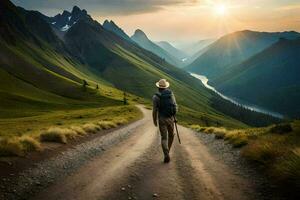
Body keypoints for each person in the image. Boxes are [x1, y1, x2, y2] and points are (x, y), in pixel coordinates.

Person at [152, 79, 178, 163]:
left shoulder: (155, 97)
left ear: (158, 87)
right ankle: (168, 152)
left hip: (161, 119)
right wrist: (175, 117)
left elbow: (155, 110)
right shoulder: (171, 94)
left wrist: (154, 120)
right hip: (170, 118)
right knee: (171, 135)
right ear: (166, 86)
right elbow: (174, 106)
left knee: (164, 138)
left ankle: (166, 154)